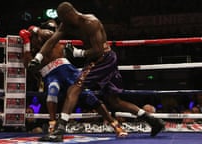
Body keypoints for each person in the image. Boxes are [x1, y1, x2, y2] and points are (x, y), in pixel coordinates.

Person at [29, 2, 165, 142]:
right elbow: (51, 41)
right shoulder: (67, 24)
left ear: (70, 15)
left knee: (74, 89)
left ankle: (59, 130)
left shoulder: (91, 23)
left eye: (63, 19)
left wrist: (77, 53)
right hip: (98, 59)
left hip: (103, 58)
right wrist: (38, 58)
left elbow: (98, 50)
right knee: (115, 101)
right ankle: (154, 121)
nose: (62, 24)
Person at [19, 20, 127, 136]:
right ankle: (52, 125)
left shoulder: (51, 39)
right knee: (52, 89)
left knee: (89, 96)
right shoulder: (32, 43)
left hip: (67, 70)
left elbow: (48, 34)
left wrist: (35, 29)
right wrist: (26, 43)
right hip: (50, 74)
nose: (55, 32)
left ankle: (115, 125)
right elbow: (28, 65)